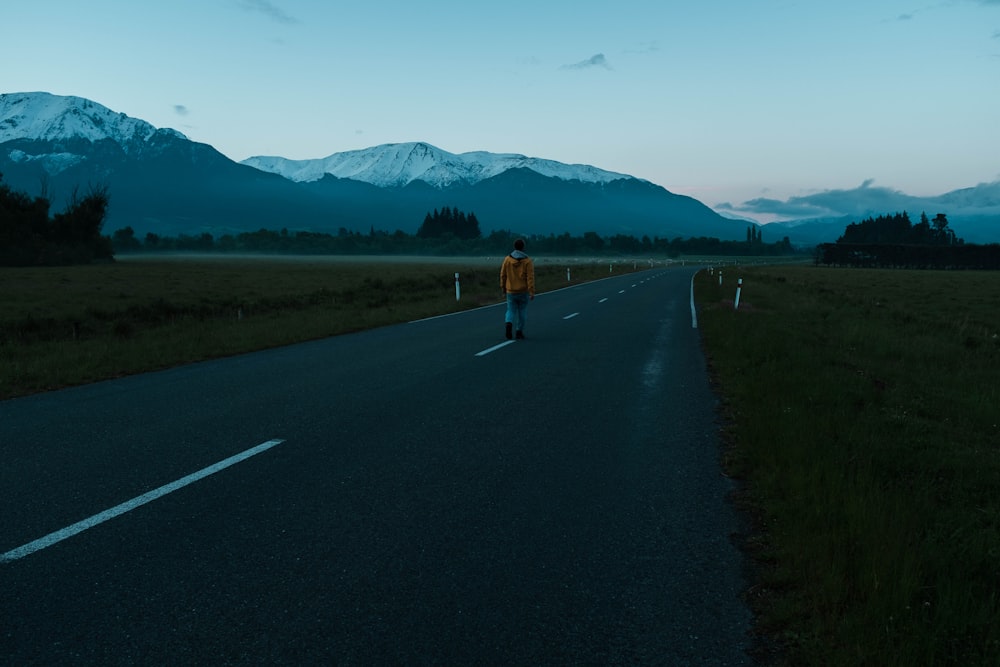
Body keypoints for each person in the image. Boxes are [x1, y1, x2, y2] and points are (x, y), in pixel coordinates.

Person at [499, 238, 535, 339]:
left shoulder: (507, 260)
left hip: (510, 290)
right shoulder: (527, 261)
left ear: (514, 247)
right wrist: (531, 291)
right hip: (523, 291)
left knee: (510, 310)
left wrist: (503, 288)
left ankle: (508, 323)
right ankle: (519, 331)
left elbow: (503, 274)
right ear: (523, 247)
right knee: (522, 311)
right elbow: (530, 278)